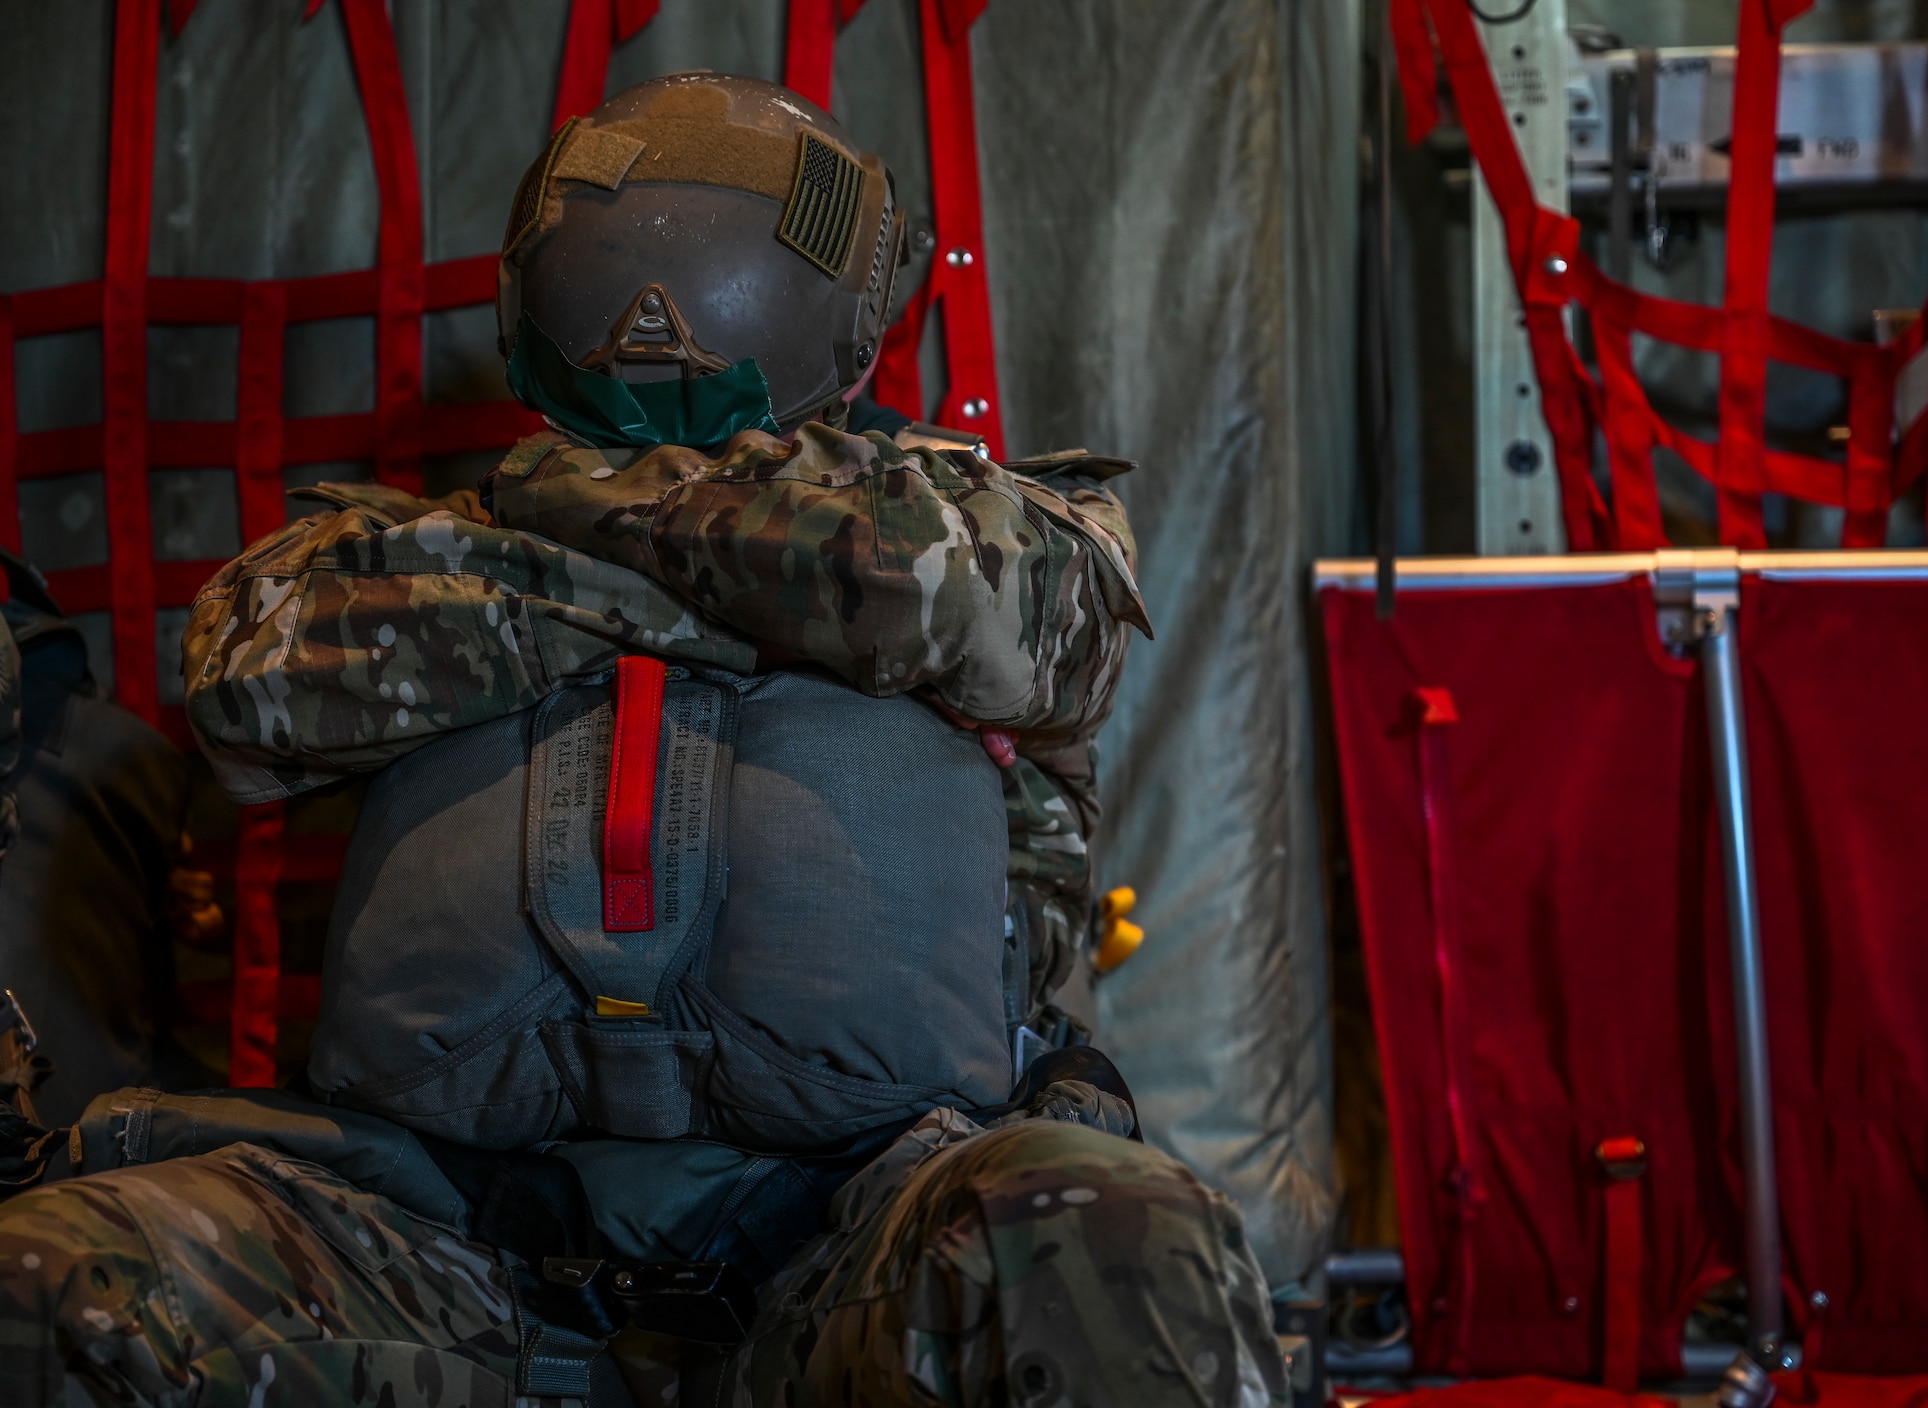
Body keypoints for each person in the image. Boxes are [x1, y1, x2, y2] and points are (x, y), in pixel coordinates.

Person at [0, 75, 1286, 1407]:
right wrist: (760, 600)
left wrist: (585, 531)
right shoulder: (359, 569)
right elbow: (247, 683)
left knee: (1113, 1236)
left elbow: (998, 607)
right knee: (43, 1280)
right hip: (437, 1237)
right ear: (857, 312)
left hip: (861, 1238)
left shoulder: (1007, 547)